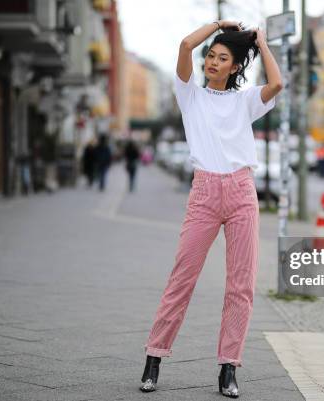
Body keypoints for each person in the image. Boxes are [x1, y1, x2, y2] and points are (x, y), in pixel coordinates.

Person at [139, 20, 282, 397]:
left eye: (223, 59)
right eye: (212, 57)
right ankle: (154, 358)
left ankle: (228, 368)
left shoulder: (245, 100)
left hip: (241, 192)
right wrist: (218, 26)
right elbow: (186, 44)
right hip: (203, 192)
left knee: (241, 286)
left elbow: (277, 84)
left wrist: (262, 43)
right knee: (181, 278)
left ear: (236, 67)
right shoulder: (190, 95)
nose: (213, 63)